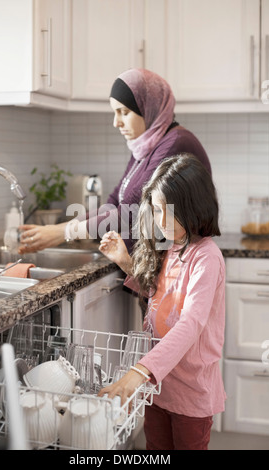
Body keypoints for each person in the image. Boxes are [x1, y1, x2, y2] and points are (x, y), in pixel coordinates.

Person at [97, 154, 226, 451]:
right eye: (156, 211)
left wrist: (138, 372)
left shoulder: (206, 257)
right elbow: (161, 295)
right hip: (157, 386)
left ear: (194, 207)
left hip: (189, 392)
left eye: (169, 212)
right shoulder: (172, 247)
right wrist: (125, 262)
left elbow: (190, 323)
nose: (161, 221)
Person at [18, 68, 211, 255]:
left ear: (148, 108)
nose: (116, 122)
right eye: (115, 112)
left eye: (124, 112)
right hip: (145, 266)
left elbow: (132, 212)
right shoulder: (146, 145)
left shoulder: (174, 145)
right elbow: (114, 203)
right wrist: (60, 228)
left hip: (178, 269)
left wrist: (63, 233)